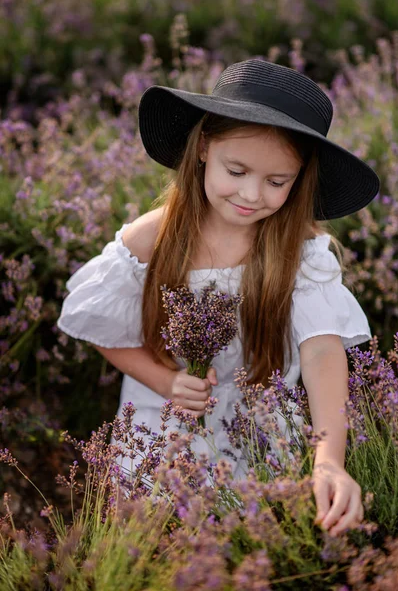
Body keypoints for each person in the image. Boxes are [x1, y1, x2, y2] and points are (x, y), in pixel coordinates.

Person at [57, 59, 379, 537]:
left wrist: (329, 460)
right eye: (237, 170)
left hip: (259, 425)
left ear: (300, 177)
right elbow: (95, 323)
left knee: (254, 540)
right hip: (164, 421)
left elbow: (321, 349)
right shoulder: (154, 239)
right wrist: (165, 381)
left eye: (277, 182)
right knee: (159, 539)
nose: (252, 194)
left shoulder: (302, 252)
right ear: (204, 146)